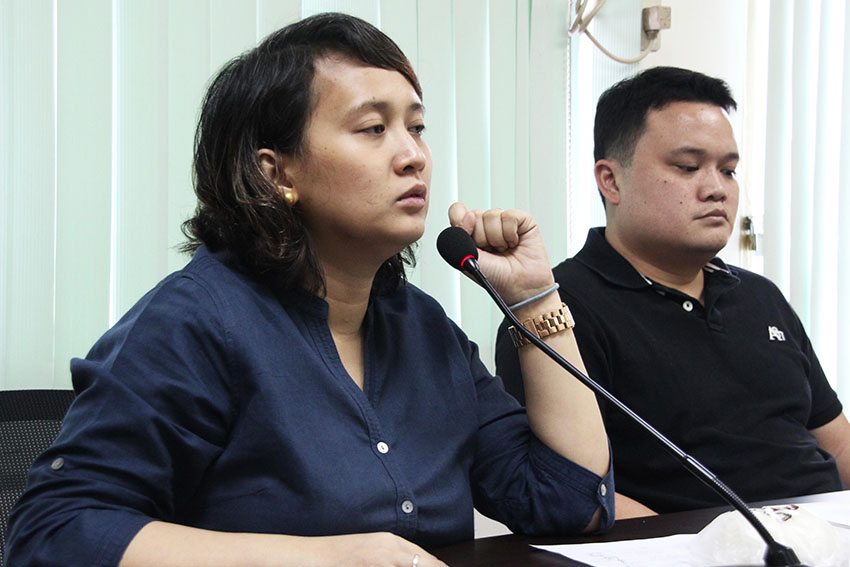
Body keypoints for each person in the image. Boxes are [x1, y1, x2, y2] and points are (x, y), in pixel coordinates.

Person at [5, 13, 613, 567]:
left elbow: (569, 506)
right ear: (277, 172)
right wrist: (325, 559)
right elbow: (53, 533)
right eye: (373, 128)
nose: (414, 156)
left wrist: (534, 300)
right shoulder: (197, 322)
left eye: (417, 127)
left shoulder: (423, 329)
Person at [495, 66, 850, 519]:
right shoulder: (556, 311)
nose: (717, 189)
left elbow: (835, 440)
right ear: (611, 180)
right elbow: (568, 492)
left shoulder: (760, 296)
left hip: (827, 534)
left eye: (729, 170)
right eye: (687, 167)